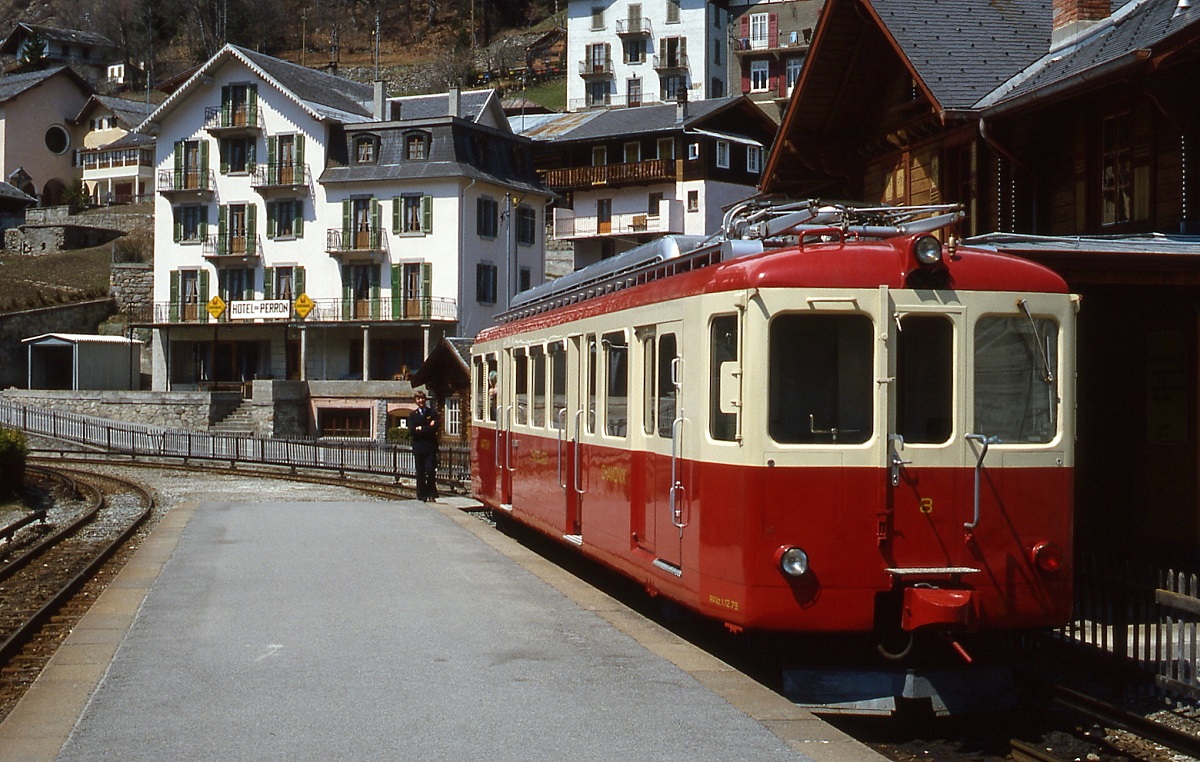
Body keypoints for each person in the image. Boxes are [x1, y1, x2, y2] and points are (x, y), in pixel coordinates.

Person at [407, 390, 440, 502]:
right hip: (419, 447)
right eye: (418, 399)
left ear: (425, 399)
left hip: (430, 447)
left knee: (431, 470)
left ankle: (431, 493)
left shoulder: (432, 413)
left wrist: (421, 428)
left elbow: (435, 427)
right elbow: (412, 431)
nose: (421, 401)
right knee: (420, 472)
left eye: (422, 398)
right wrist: (427, 428)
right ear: (415, 401)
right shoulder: (412, 415)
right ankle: (421, 494)